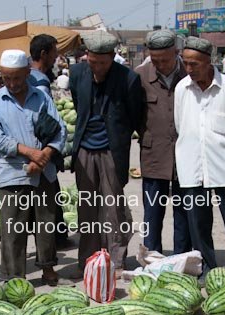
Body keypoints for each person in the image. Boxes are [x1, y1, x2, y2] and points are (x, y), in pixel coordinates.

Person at [174, 37, 225, 286]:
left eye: (194, 64)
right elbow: (181, 126)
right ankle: (207, 271)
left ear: (209, 61)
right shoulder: (181, 89)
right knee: (198, 225)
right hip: (192, 166)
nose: (189, 69)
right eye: (185, 63)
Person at [0, 49, 66, 283]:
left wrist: (45, 156)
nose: (12, 83)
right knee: (12, 228)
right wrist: (30, 153)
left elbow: (59, 131)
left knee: (46, 223)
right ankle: (14, 276)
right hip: (13, 173)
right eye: (7, 78)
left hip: (44, 173)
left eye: (17, 78)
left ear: (27, 73)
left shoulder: (42, 98)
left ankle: (48, 267)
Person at [69, 31, 144, 275]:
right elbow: (79, 106)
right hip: (84, 149)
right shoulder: (77, 74)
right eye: (93, 62)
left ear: (113, 57)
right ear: (86, 56)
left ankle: (116, 259)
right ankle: (88, 259)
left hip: (112, 150)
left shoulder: (128, 79)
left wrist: (120, 138)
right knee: (87, 207)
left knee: (114, 207)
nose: (97, 67)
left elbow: (134, 116)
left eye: (103, 62)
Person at [135, 29, 190, 254]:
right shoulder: (139, 75)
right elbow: (134, 114)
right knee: (152, 212)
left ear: (176, 53)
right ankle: (152, 256)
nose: (160, 65)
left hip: (185, 155)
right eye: (155, 60)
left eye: (165, 60)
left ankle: (182, 257)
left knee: (184, 212)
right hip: (154, 154)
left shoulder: (189, 73)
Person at [29, 33, 72, 248]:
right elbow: (43, 120)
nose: (57, 57)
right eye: (54, 52)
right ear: (44, 53)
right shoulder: (39, 81)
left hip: (33, 150)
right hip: (40, 149)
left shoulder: (30, 75)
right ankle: (52, 242)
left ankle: (56, 237)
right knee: (47, 197)